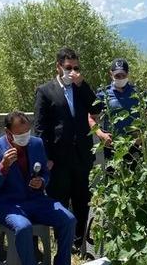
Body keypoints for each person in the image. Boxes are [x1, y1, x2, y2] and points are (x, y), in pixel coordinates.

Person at [0, 111, 78, 265]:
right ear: (8, 133)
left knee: (68, 219)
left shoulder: (36, 144)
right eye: (20, 134)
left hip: (36, 200)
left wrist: (42, 181)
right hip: (8, 204)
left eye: (27, 132)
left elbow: (45, 172)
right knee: (24, 227)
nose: (25, 137)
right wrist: (3, 167)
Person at [33, 47, 101, 250]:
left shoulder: (81, 89)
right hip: (58, 158)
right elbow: (40, 127)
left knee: (82, 200)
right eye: (68, 67)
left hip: (81, 156)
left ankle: (79, 241)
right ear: (58, 67)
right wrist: (46, 157)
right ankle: (61, 240)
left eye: (76, 68)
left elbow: (97, 108)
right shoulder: (45, 91)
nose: (72, 72)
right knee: (59, 199)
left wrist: (82, 84)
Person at [90, 58, 141, 162]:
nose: (120, 78)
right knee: (114, 176)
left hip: (135, 143)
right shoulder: (103, 93)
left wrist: (142, 134)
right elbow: (91, 117)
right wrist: (101, 134)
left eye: (123, 75)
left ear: (128, 74)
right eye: (117, 75)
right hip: (111, 144)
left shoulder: (136, 93)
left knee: (137, 176)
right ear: (111, 74)